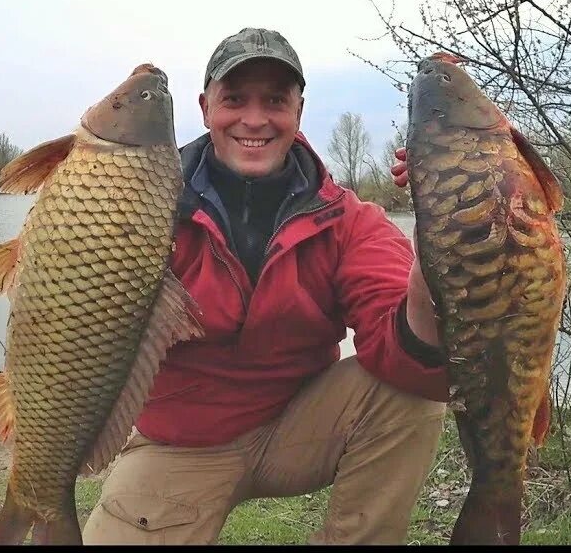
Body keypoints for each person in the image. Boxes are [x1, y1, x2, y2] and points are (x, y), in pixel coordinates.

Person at [80, 27, 452, 545]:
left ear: (298, 111)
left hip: (301, 428)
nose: (254, 119)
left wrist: (441, 242)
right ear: (205, 106)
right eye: (234, 99)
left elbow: (411, 358)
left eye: (275, 100)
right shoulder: (141, 208)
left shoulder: (348, 220)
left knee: (408, 398)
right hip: (180, 444)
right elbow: (76, 314)